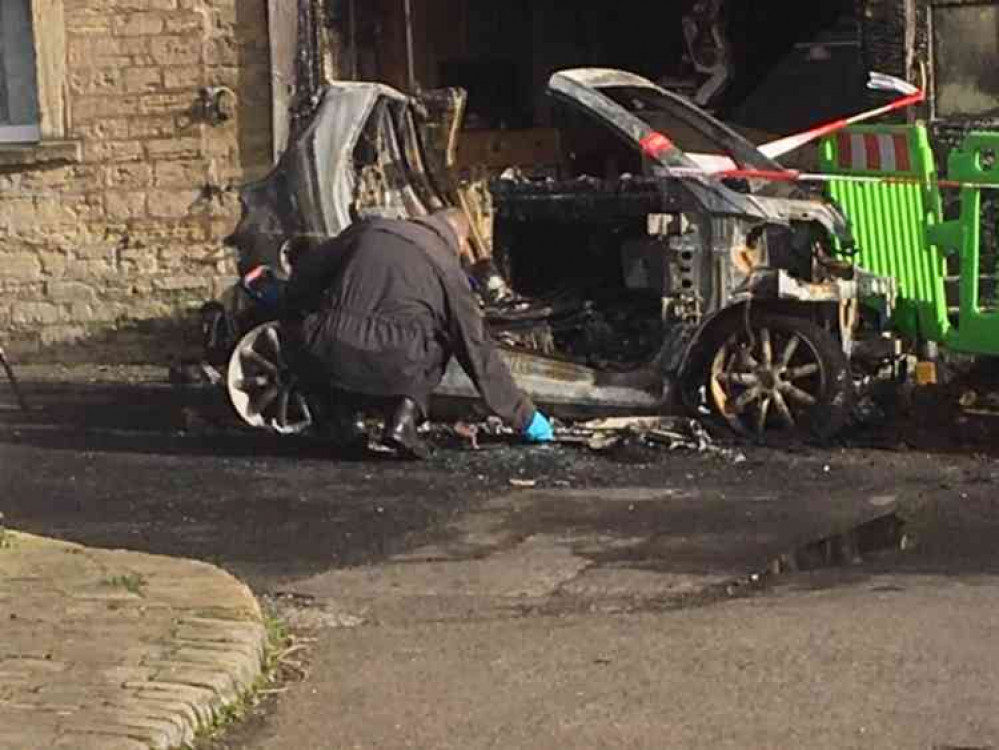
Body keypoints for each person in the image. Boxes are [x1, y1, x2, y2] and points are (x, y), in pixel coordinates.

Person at [280, 208, 554, 458]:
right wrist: (524, 416)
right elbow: (477, 352)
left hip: (323, 352)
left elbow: (305, 275)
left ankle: (338, 422)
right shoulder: (449, 272)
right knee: (441, 339)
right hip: (393, 366)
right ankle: (402, 422)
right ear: (457, 242)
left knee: (323, 330)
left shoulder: (369, 230)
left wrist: (301, 322)